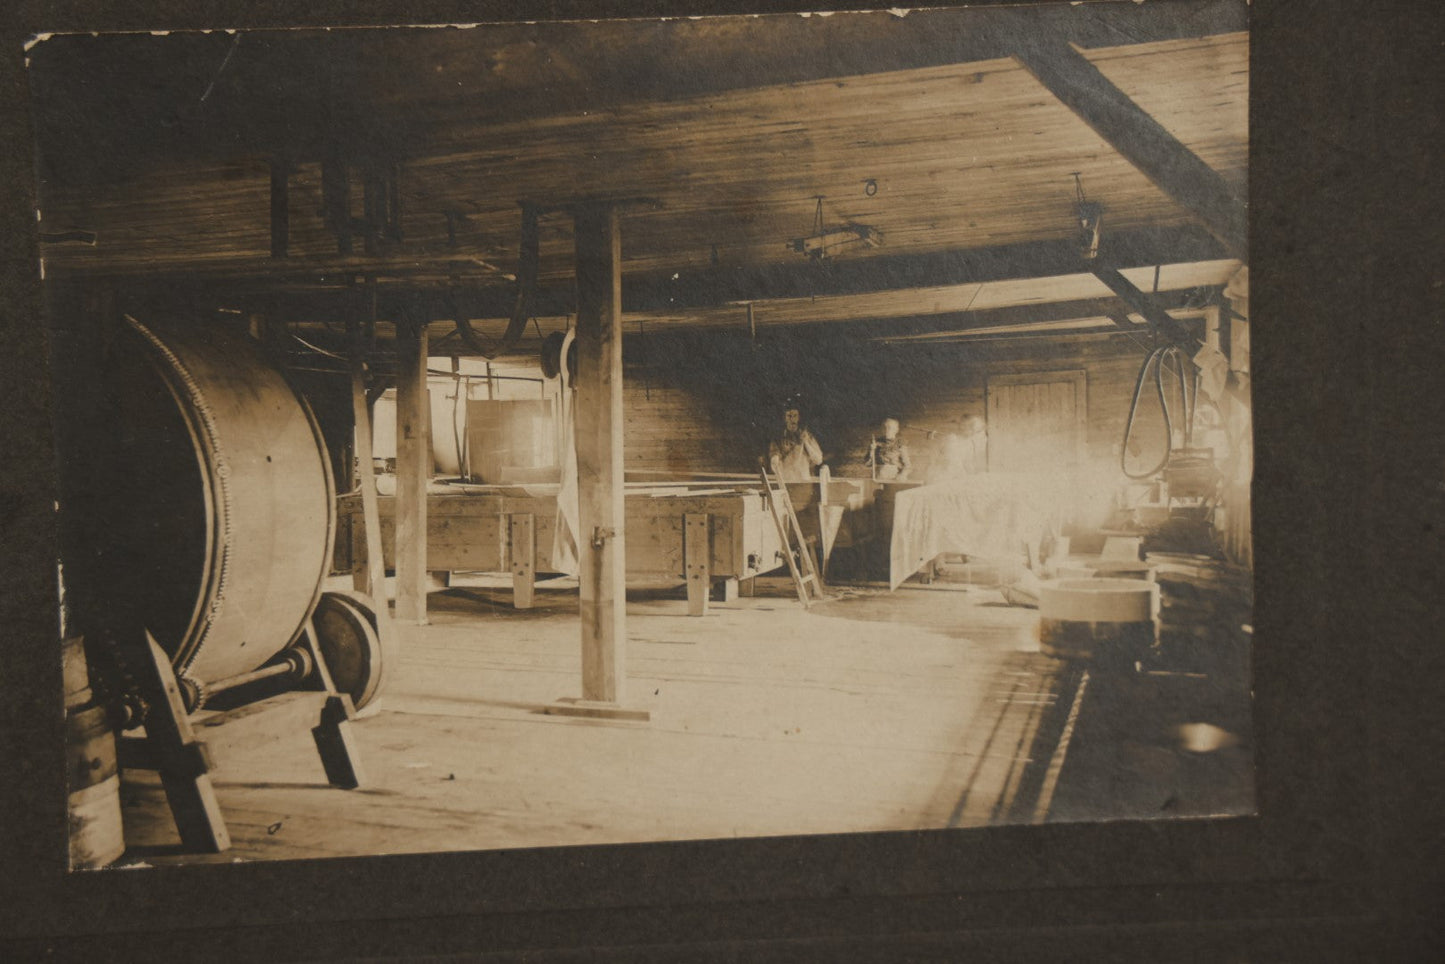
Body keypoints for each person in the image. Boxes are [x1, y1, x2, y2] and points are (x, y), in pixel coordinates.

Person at [767, 404, 824, 482]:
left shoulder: (808, 436)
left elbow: (818, 460)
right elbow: (774, 463)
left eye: (795, 416)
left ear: (799, 418)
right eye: (789, 416)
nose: (792, 419)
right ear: (784, 418)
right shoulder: (778, 438)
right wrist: (776, 458)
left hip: (803, 480)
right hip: (787, 480)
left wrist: (806, 442)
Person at [866, 417, 912, 481]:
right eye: (884, 427)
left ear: (896, 430)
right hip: (878, 477)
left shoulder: (900, 444)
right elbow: (868, 464)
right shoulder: (876, 443)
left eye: (890, 427)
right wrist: (871, 450)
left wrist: (903, 475)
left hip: (894, 478)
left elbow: (908, 466)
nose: (886, 430)